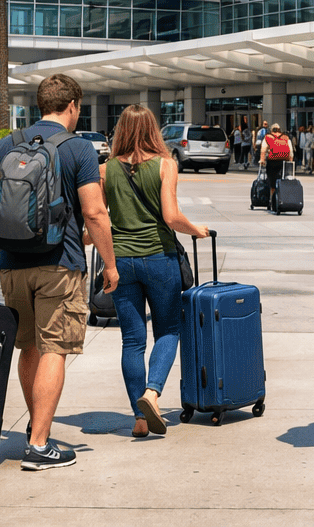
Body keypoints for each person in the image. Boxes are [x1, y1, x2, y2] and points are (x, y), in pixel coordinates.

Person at [0, 73, 119, 471]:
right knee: (55, 348)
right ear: (73, 106)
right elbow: (95, 211)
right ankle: (38, 443)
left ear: (39, 105)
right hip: (59, 265)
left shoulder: (5, 145)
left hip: (12, 264)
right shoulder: (79, 149)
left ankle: (37, 427)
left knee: (29, 345)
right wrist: (111, 265)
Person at [99, 105, 210, 437]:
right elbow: (172, 216)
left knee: (132, 340)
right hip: (159, 258)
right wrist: (197, 230)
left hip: (121, 261)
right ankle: (152, 392)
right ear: (153, 130)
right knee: (168, 331)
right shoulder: (166, 165)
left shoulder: (105, 170)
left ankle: (140, 419)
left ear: (120, 131)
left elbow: (97, 219)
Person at [260, 123, 293, 210]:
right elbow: (291, 151)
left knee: (272, 183)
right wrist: (290, 161)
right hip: (284, 162)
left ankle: (273, 202)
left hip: (272, 162)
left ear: (271, 130)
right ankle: (283, 200)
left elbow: (263, 149)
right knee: (284, 181)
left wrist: (262, 160)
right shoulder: (285, 137)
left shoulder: (268, 137)